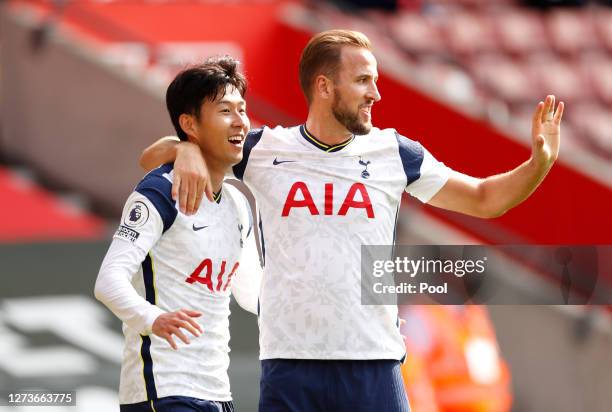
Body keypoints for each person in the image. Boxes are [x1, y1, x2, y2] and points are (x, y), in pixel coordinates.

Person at [139, 30, 563, 412]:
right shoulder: (263, 150)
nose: (376, 94)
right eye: (363, 81)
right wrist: (189, 150)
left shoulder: (395, 153)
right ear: (324, 86)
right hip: (291, 365)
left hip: (373, 365)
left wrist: (538, 163)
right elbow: (154, 155)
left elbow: (485, 200)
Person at [95, 56, 262, 412]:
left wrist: (329, 307)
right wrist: (154, 319)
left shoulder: (237, 202)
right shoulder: (159, 191)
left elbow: (251, 294)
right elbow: (108, 281)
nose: (240, 122)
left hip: (217, 390)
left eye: (242, 109)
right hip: (163, 389)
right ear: (190, 123)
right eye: (225, 111)